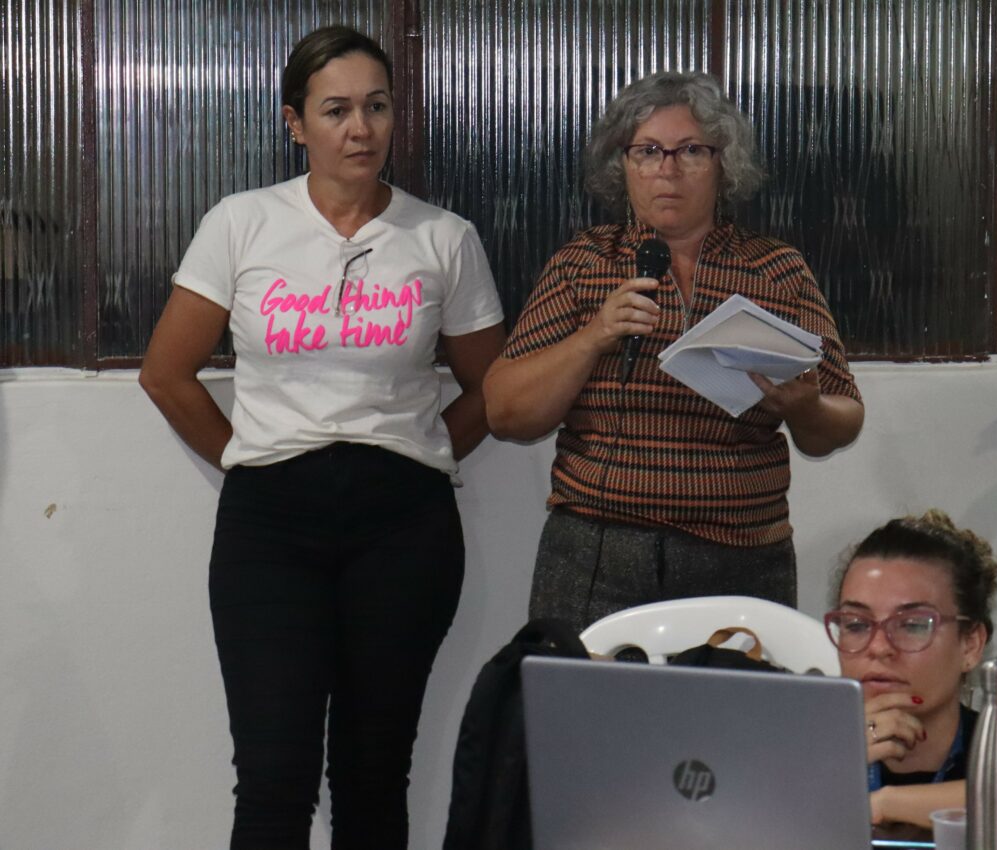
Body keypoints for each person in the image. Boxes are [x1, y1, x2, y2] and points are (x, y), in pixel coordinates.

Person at [139, 25, 505, 850]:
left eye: (376, 107)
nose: (360, 129)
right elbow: (166, 373)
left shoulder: (443, 238)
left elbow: (494, 391)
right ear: (295, 123)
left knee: (373, 779)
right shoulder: (242, 224)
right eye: (336, 110)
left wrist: (421, 452)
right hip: (271, 528)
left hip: (403, 531)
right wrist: (252, 459)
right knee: (274, 780)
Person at [483, 71, 863, 633]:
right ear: (622, 166)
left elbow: (844, 416)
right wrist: (594, 336)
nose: (668, 170)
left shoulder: (775, 269)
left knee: (733, 697)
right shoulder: (582, 264)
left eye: (690, 151)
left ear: (723, 164)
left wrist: (806, 407)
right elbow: (505, 413)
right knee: (584, 696)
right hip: (596, 551)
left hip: (740, 556)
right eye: (647, 152)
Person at [824, 510, 997, 828]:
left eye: (913, 625)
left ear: (970, 645)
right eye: (856, 624)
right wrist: (833, 770)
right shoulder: (809, 746)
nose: (879, 647)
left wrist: (885, 803)